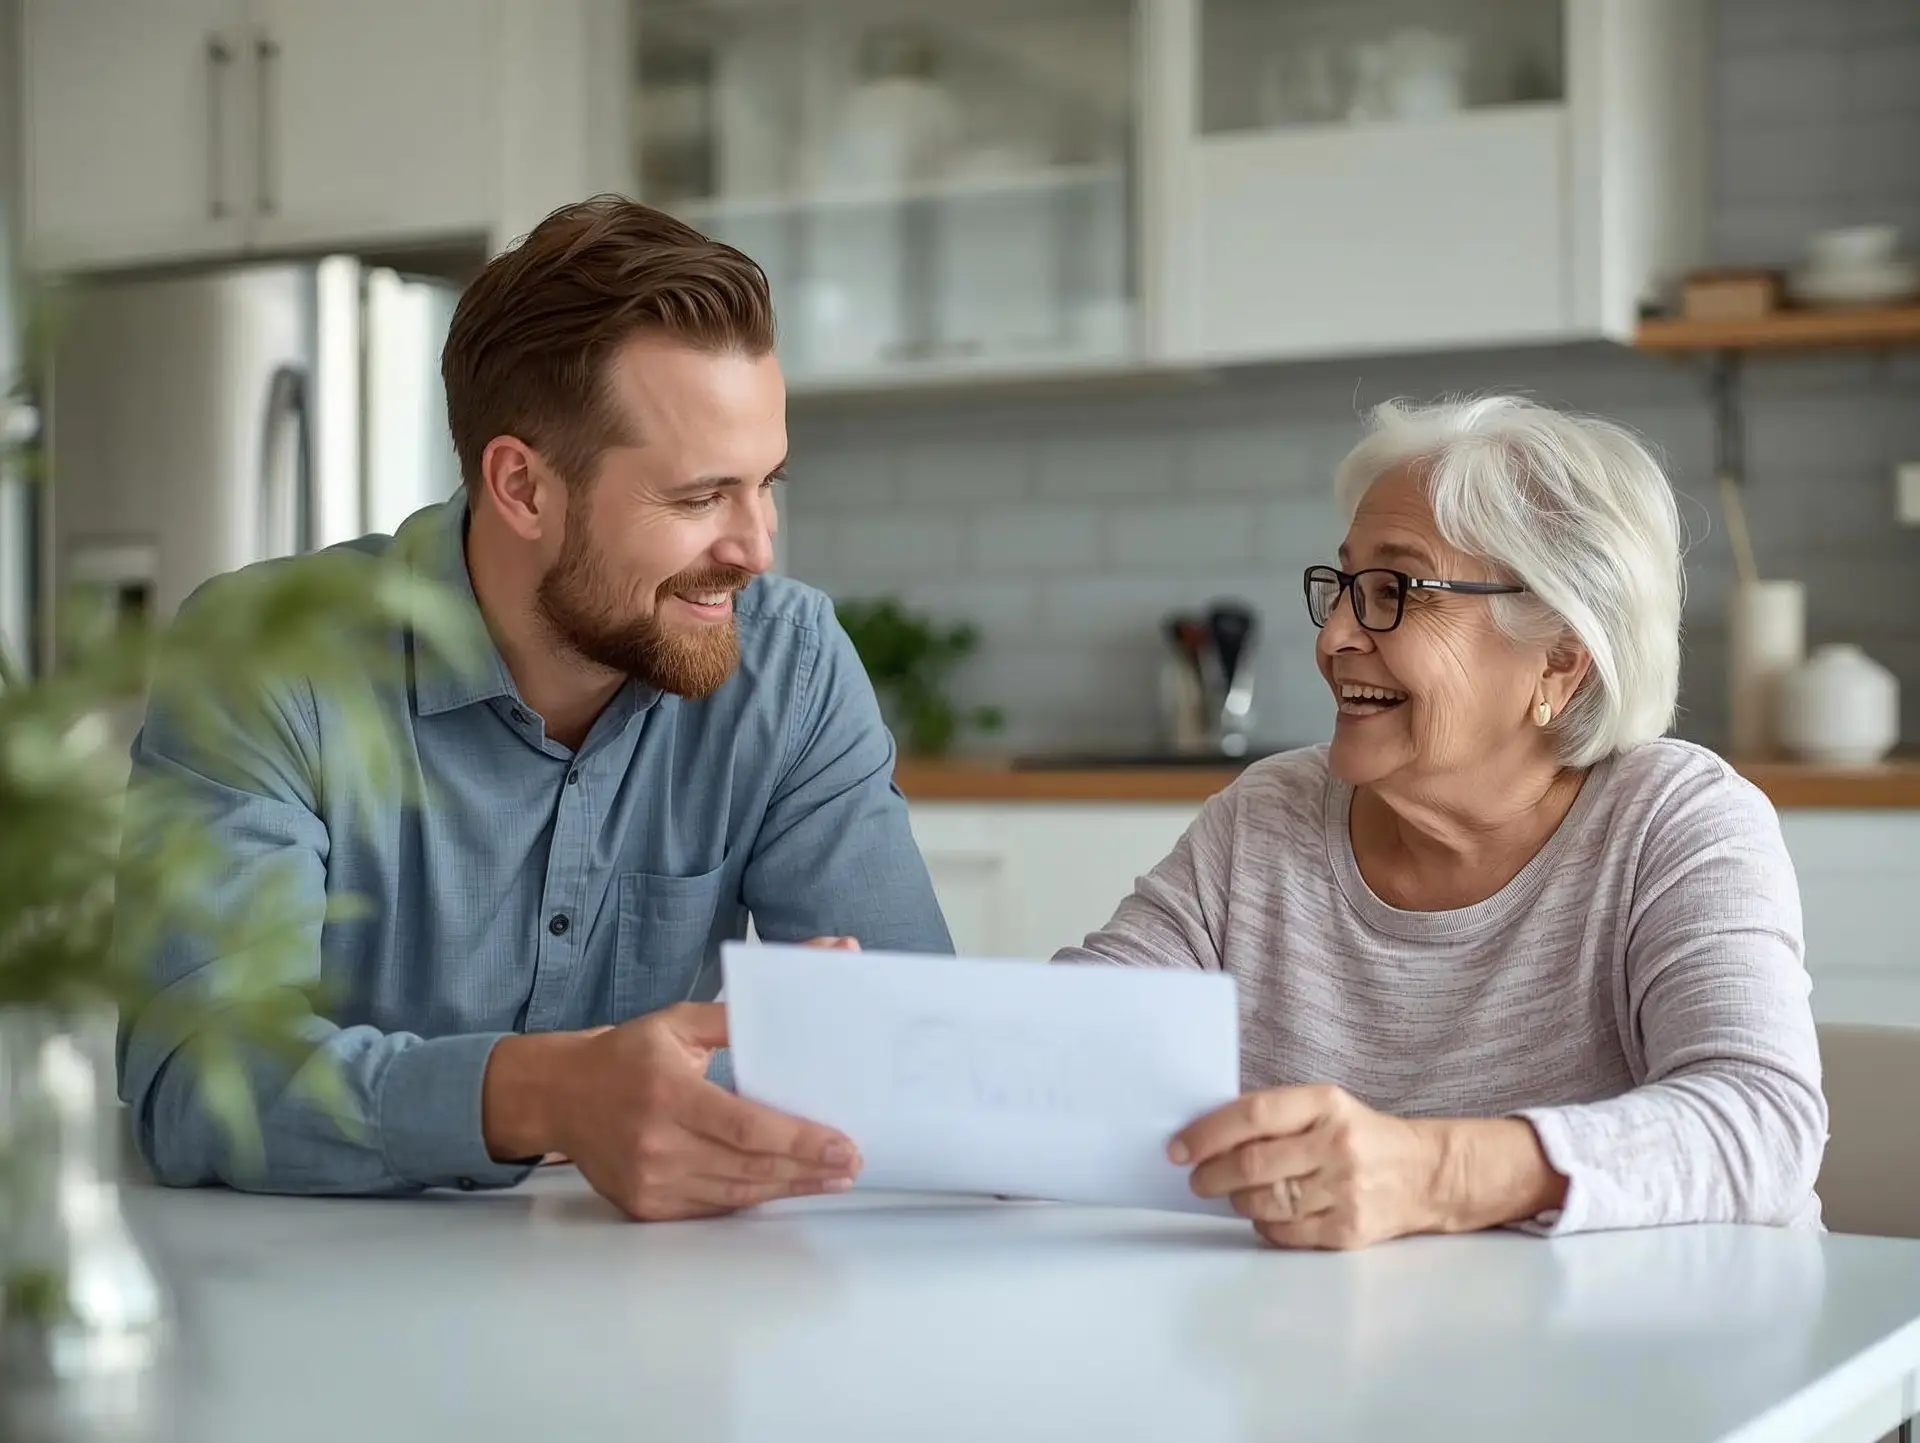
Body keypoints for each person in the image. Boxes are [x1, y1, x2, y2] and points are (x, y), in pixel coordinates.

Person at [117, 197, 952, 1219]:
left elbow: (920, 1053)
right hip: (321, 1307)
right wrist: (554, 1095)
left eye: (767, 484)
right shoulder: (267, 662)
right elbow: (200, 1079)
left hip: (671, 1315)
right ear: (522, 487)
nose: (756, 547)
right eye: (700, 498)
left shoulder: (791, 663)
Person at [1058, 396, 1826, 1249]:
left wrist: (1436, 1173)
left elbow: (1763, 1126)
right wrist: (892, 1040)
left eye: (1396, 591)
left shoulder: (1673, 821)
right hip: (1337, 1357)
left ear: (1561, 658)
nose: (1335, 638)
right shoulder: (1267, 819)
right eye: (1344, 586)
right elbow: (1076, 1047)